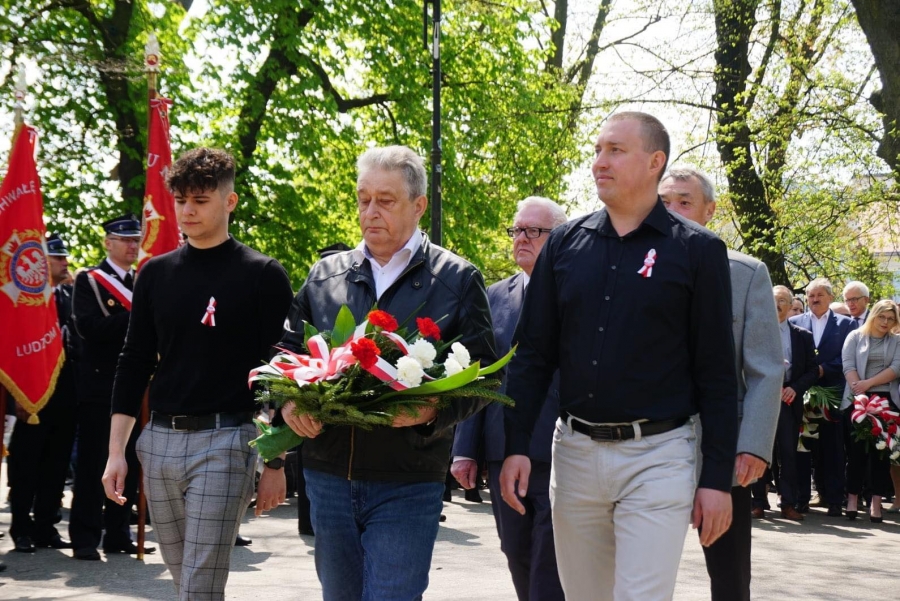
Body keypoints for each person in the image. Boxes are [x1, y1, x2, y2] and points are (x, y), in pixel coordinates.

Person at [500, 112, 738, 601]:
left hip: (660, 456)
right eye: (597, 150)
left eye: (615, 150)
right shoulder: (565, 244)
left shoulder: (699, 251)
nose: (599, 162)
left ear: (655, 162)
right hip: (574, 454)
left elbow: (717, 373)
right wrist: (515, 444)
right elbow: (533, 356)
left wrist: (717, 480)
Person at [277, 145, 497, 600]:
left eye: (385, 200)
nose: (370, 212)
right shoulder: (324, 276)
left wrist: (432, 411)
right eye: (363, 199)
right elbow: (285, 353)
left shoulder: (457, 280)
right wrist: (287, 401)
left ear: (418, 206)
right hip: (328, 477)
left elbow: (486, 378)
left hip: (407, 480)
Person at [102, 148, 293, 600]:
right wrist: (116, 452)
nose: (187, 210)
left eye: (200, 200)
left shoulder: (263, 274)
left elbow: (285, 372)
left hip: (227, 439)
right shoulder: (154, 274)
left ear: (230, 201)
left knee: (200, 581)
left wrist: (275, 461)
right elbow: (134, 361)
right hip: (158, 442)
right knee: (184, 577)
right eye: (181, 200)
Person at [660, 167, 782, 601]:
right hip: (648, 447)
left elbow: (766, 369)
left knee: (728, 577)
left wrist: (754, 444)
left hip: (721, 449)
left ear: (710, 211)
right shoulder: (635, 266)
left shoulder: (746, 274)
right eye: (664, 202)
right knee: (641, 572)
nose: (673, 211)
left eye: (685, 202)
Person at [451, 197, 567, 601]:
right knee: (516, 552)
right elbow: (477, 374)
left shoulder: (579, 294)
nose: (521, 238)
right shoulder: (493, 296)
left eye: (533, 231)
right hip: (503, 451)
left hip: (563, 451)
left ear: (560, 239)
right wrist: (465, 449)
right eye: (517, 230)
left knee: (551, 564)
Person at [70, 213, 148, 560]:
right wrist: (135, 318)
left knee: (130, 460)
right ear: (108, 243)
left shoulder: (142, 281)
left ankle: (118, 533)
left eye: (136, 240)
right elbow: (87, 328)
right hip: (101, 384)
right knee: (93, 462)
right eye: (125, 240)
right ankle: (85, 536)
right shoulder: (89, 280)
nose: (132, 246)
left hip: (134, 386)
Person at [8, 233, 78, 552]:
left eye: (64, 256)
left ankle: (46, 527)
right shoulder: (25, 299)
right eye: (57, 257)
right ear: (41, 261)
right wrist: (18, 396)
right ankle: (21, 527)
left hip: (65, 391)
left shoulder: (68, 295)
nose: (65, 262)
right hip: (32, 393)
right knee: (27, 464)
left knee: (57, 462)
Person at [789, 278, 856, 516]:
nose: (814, 299)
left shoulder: (847, 324)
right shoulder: (794, 322)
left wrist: (823, 369)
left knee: (833, 449)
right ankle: (801, 499)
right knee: (802, 448)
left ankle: (835, 500)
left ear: (830, 296)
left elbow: (848, 357)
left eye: (819, 295)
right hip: (801, 393)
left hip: (832, 394)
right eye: (810, 295)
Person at [750, 286, 817, 520]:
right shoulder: (754, 331)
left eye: (782, 300)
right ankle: (758, 502)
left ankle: (788, 503)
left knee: (788, 453)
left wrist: (794, 388)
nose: (777, 304)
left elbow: (812, 370)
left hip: (788, 400)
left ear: (790, 306)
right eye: (773, 299)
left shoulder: (802, 336)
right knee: (759, 451)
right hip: (760, 399)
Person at [840, 299, 900, 523]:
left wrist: (870, 383)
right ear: (874, 315)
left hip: (886, 400)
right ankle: (852, 498)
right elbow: (848, 365)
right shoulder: (855, 336)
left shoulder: (897, 341)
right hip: (858, 398)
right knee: (856, 453)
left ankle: (876, 502)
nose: (885, 322)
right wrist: (861, 391)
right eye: (882, 317)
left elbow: (896, 368)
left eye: (891, 319)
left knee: (881, 454)